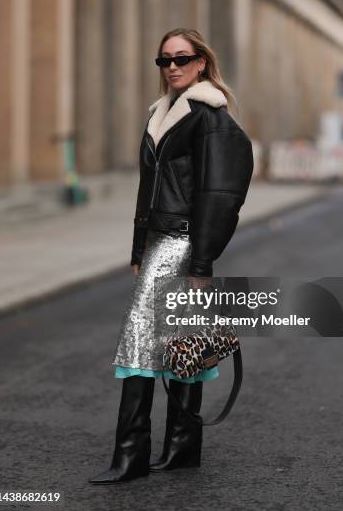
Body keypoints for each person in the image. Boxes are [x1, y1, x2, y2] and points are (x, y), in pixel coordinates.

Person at [88, 28, 253, 484]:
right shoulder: (161, 114)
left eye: (183, 58)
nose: (173, 66)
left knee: (139, 342)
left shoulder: (210, 117)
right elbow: (148, 190)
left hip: (183, 244)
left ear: (202, 62)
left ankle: (131, 454)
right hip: (160, 241)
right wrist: (139, 246)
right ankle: (183, 446)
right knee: (181, 343)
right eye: (164, 60)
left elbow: (220, 195)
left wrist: (201, 262)